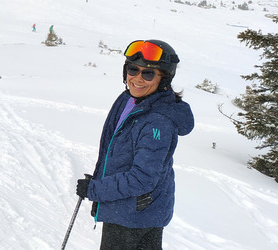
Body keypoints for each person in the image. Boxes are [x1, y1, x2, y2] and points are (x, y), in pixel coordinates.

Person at [75, 39, 194, 249]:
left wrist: (96, 189)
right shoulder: (129, 99)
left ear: (164, 79)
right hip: (130, 208)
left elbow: (142, 178)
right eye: (133, 69)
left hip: (134, 216)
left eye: (148, 73)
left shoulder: (157, 121)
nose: (137, 78)